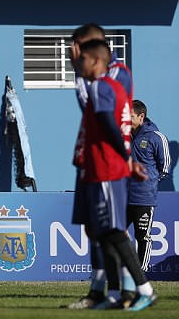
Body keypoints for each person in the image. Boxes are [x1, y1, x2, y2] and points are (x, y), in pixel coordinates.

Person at [72, 39, 155, 311]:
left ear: (95, 61)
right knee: (103, 232)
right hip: (101, 167)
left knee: (113, 232)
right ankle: (115, 294)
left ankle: (144, 289)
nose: (78, 64)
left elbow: (108, 124)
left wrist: (127, 159)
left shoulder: (102, 87)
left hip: (107, 168)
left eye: (81, 59)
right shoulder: (115, 88)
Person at [67, 23, 136, 309]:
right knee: (93, 228)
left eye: (79, 47)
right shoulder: (94, 74)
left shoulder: (117, 72)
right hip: (89, 157)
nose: (75, 53)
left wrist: (78, 72)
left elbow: (93, 106)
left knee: (112, 225)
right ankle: (101, 291)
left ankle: (129, 288)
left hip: (109, 161)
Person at [128, 100, 171, 272]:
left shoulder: (156, 137)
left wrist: (147, 182)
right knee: (113, 233)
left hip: (143, 197)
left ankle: (141, 272)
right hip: (122, 196)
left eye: (130, 116)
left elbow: (165, 168)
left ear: (141, 117)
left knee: (142, 235)